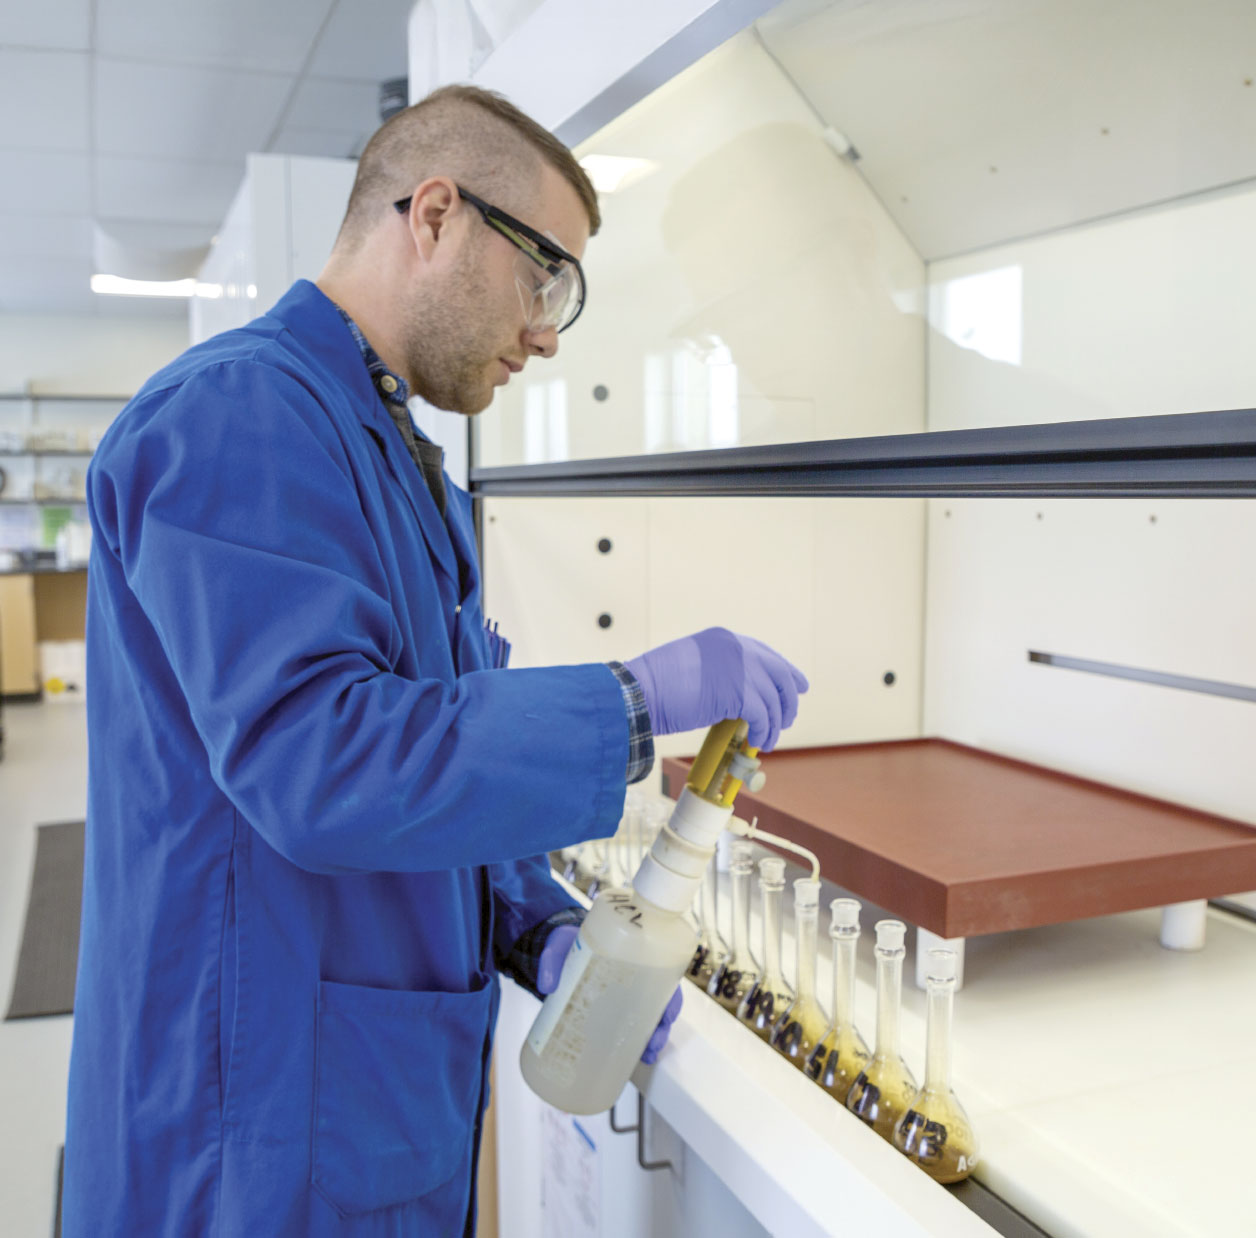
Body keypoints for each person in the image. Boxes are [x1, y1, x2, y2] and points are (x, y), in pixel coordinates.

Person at [61, 84, 807, 1236]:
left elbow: (434, 733)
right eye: (544, 273)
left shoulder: (405, 466)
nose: (551, 329)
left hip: (353, 1095)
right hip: (249, 1115)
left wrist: (538, 922)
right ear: (437, 214)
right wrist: (633, 700)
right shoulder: (238, 417)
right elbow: (322, 759)